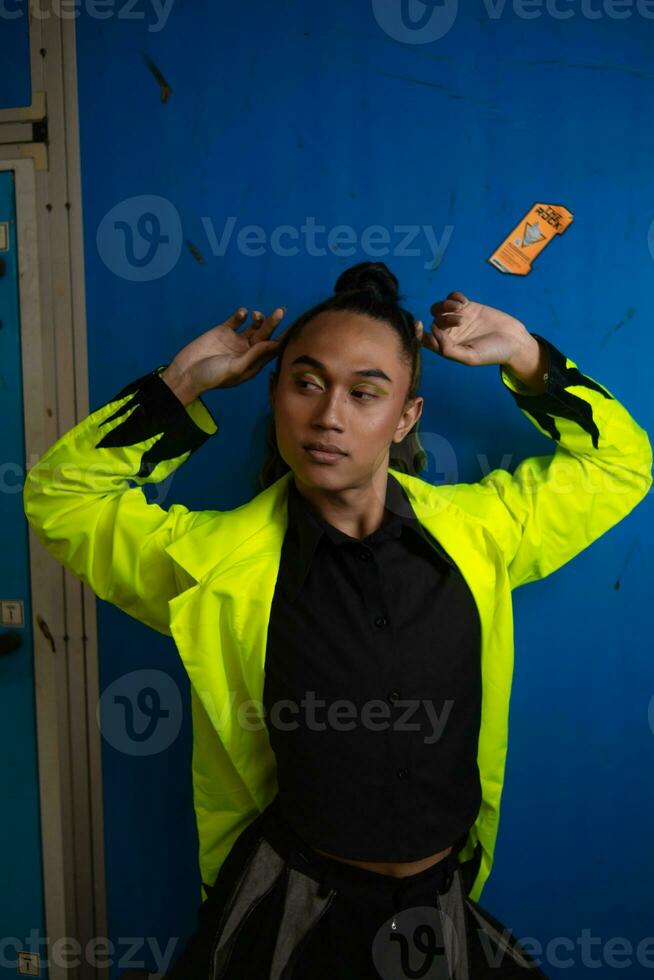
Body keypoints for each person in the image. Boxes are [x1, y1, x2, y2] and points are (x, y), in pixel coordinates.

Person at [23, 262, 652, 979]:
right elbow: (62, 497)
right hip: (282, 910)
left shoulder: (483, 534)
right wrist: (183, 383)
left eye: (365, 393)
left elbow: (620, 463)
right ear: (275, 393)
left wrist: (527, 357)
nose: (328, 416)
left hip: (440, 904)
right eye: (307, 382)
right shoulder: (214, 561)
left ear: (405, 417)